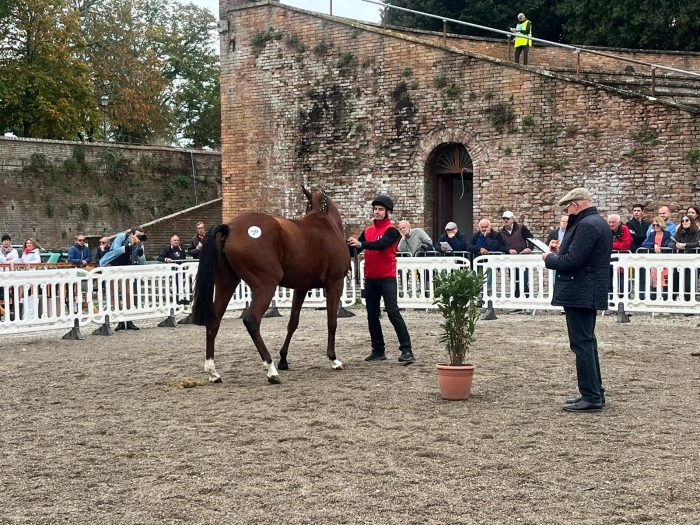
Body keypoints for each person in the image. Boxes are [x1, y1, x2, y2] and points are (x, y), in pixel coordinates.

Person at [543, 188, 612, 413]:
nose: (567, 212)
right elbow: (579, 255)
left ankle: (591, 396)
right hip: (586, 290)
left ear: (576, 205)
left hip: (580, 290)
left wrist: (550, 258)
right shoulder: (596, 222)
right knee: (587, 342)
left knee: (582, 343)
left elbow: (572, 261)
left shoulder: (586, 225)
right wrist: (560, 251)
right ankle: (595, 392)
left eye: (568, 208)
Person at [347, 195, 414, 365]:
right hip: (371, 278)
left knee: (393, 312)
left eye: (381, 209)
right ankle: (378, 350)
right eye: (375, 209)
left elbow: (381, 245)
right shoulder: (368, 231)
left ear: (387, 212)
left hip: (387, 278)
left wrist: (361, 245)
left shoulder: (392, 231)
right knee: (372, 315)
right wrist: (347, 245)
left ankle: (407, 350)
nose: (377, 212)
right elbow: (354, 249)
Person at [99, 227, 147, 331]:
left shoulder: (139, 244)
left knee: (128, 293)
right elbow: (116, 252)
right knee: (114, 294)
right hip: (111, 266)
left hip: (125, 269)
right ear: (132, 234)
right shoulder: (122, 236)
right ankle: (120, 320)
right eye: (138, 235)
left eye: (141, 236)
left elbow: (142, 262)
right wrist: (129, 245)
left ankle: (129, 319)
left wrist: (140, 249)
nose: (139, 238)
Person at [499, 210, 533, 298]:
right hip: (511, 260)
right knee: (514, 281)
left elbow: (531, 239)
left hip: (523, 258)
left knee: (524, 280)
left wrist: (529, 248)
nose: (505, 220)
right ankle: (517, 303)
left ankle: (527, 302)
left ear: (512, 219)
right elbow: (500, 246)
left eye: (507, 218)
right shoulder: (501, 232)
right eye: (504, 219)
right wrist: (508, 250)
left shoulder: (521, 228)